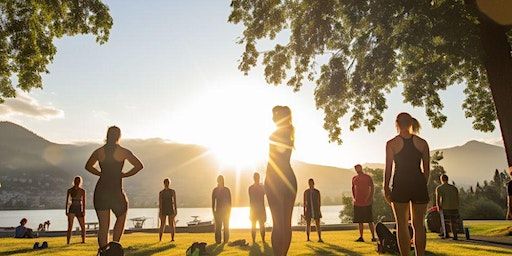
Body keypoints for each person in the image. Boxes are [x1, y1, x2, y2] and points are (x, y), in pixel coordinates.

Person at [85, 126, 144, 251]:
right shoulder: (123, 151)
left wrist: (100, 174)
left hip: (101, 191)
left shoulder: (99, 151)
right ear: (119, 136)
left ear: (107, 135)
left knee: (103, 226)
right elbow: (139, 166)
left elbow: (88, 166)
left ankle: (103, 252)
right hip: (115, 191)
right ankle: (114, 248)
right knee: (121, 215)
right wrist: (125, 174)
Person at [384, 113, 430, 256]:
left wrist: (386, 187)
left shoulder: (391, 143)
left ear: (397, 124)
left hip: (400, 185)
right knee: (419, 226)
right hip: (419, 184)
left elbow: (388, 168)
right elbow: (427, 170)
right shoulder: (422, 143)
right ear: (411, 123)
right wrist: (422, 185)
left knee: (402, 226)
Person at [265, 105, 297, 256]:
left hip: (276, 180)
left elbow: (273, 162)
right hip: (289, 179)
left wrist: (268, 181)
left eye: (274, 114)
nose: (272, 117)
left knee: (278, 224)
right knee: (285, 225)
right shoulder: (290, 133)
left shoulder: (275, 134)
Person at [351, 164, 376, 242]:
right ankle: (361, 237)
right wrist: (354, 198)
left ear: (361, 168)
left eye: (358, 168)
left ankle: (373, 237)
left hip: (367, 202)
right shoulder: (354, 178)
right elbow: (352, 188)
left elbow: (372, 187)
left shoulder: (367, 177)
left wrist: (370, 198)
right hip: (357, 203)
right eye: (356, 169)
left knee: (370, 220)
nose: (357, 170)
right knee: (359, 221)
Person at [435, 175, 460, 240]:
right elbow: (457, 198)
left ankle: (446, 235)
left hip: (445, 207)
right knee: (453, 222)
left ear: (441, 179)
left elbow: (437, 198)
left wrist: (438, 206)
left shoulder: (439, 188)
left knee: (445, 222)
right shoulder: (454, 188)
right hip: (454, 207)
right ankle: (455, 235)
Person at [66, 176, 86, 244]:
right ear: (74, 181)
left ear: (80, 182)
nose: (77, 182)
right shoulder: (70, 190)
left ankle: (83, 241)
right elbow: (67, 201)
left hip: (79, 208)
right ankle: (68, 242)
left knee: (82, 226)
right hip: (72, 208)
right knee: (70, 226)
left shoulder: (82, 191)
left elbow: (83, 202)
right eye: (76, 181)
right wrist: (66, 210)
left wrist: (83, 211)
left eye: (78, 181)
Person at [212, 175, 232, 244]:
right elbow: (213, 202)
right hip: (218, 211)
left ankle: (225, 241)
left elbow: (229, 202)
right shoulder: (215, 190)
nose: (220, 181)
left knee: (225, 226)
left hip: (225, 212)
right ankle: (218, 241)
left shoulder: (226, 190)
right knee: (218, 227)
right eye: (219, 180)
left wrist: (229, 211)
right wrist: (213, 212)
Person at [248, 172, 266, 244]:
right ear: (258, 178)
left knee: (254, 225)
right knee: (261, 225)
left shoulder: (250, 188)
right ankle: (263, 240)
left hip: (254, 209)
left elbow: (251, 200)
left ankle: (254, 240)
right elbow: (265, 192)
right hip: (259, 209)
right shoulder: (261, 187)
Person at [303, 178, 323, 242]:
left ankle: (319, 238)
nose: (310, 184)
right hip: (308, 210)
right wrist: (304, 212)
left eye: (311, 183)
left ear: (313, 183)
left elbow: (319, 202)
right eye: (309, 183)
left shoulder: (317, 192)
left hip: (316, 210)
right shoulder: (306, 192)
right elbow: (304, 202)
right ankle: (308, 238)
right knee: (308, 224)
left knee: (318, 224)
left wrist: (319, 210)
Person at [159, 178, 177, 242]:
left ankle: (162, 239)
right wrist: (175, 210)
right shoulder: (169, 192)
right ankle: (170, 239)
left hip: (167, 209)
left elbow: (160, 204)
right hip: (168, 208)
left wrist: (160, 212)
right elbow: (174, 202)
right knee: (169, 224)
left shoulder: (162, 192)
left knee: (165, 224)